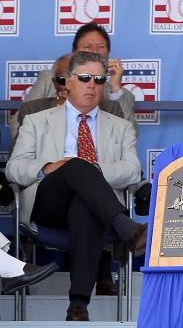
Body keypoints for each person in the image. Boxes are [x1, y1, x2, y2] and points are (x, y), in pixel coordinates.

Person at [7, 51, 147, 321]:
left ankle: (78, 306)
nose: (92, 84)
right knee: (75, 166)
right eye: (84, 77)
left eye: (99, 78)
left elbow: (132, 170)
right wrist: (49, 167)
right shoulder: (38, 121)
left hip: (94, 208)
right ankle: (125, 227)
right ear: (68, 82)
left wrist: (88, 171)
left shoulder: (121, 127)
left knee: (84, 198)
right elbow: (14, 168)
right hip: (48, 203)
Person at [25, 23, 136, 129]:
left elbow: (129, 133)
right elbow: (22, 120)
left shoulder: (118, 94)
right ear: (74, 52)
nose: (94, 51)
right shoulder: (48, 78)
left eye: (100, 47)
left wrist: (115, 87)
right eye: (88, 46)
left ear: (108, 52)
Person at [11, 54, 125, 150]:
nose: (67, 86)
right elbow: (18, 161)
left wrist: (115, 87)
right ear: (54, 82)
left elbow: (128, 146)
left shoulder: (110, 108)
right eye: (62, 80)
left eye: (83, 78)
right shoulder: (33, 111)